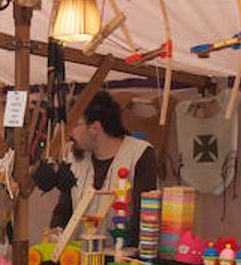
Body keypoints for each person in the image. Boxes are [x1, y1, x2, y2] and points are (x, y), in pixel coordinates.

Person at [32, 90, 157, 245]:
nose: (69, 133)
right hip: (77, 259)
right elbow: (64, 208)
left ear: (95, 127)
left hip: (121, 259)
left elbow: (143, 218)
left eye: (75, 125)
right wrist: (54, 238)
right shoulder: (75, 158)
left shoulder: (140, 154)